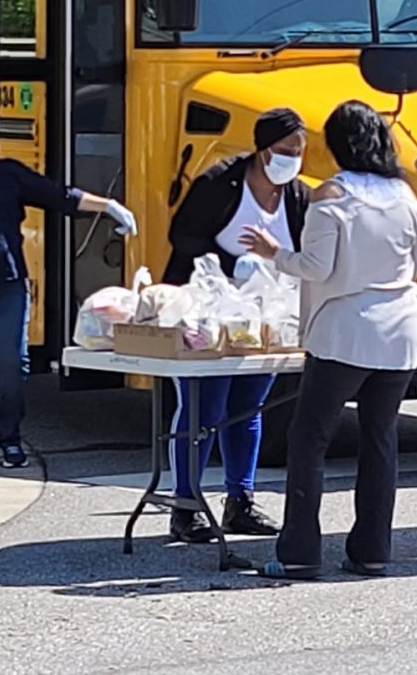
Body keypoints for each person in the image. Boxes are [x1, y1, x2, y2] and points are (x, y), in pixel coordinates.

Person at [241, 101, 417, 580]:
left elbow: (316, 267)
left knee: (310, 438)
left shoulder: (332, 195)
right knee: (381, 439)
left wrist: (275, 253)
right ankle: (372, 551)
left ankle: (300, 552)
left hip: (343, 329)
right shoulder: (405, 195)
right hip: (400, 332)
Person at [0, 92, 138, 471]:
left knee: (12, 364)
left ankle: (12, 441)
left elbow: (60, 196)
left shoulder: (9, 175)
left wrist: (110, 206)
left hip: (7, 282)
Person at [162, 107, 310, 543]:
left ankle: (239, 501)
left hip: (261, 318)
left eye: (300, 152)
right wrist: (232, 265)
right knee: (203, 409)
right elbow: (182, 236)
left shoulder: (297, 195)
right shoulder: (220, 183)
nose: (294, 160)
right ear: (264, 151)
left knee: (247, 408)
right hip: (205, 314)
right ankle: (185, 505)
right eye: (286, 151)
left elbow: (300, 249)